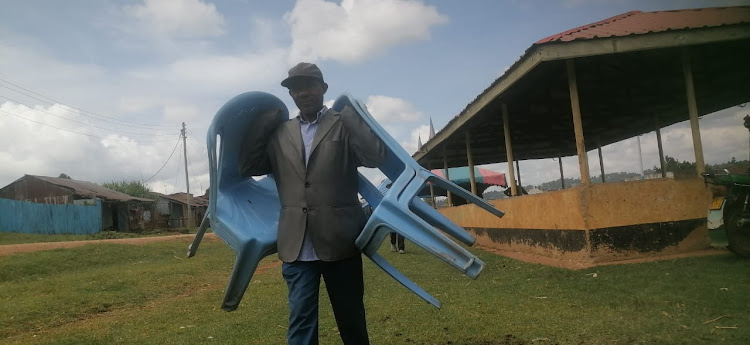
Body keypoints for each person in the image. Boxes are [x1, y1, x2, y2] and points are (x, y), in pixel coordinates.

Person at [264, 62, 386, 345]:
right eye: (295, 87)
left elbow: (375, 157)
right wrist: (259, 127)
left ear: (323, 88)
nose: (302, 92)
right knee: (301, 324)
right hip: (297, 247)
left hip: (341, 242)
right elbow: (250, 165)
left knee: (351, 320)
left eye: (309, 85)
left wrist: (352, 116)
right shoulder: (281, 133)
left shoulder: (342, 123)